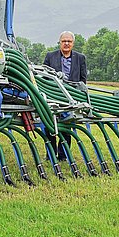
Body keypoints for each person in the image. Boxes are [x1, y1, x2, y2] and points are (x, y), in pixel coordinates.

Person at [43, 31, 87, 159]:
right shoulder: (50, 56)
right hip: (53, 96)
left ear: (73, 43)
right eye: (64, 41)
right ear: (60, 42)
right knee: (49, 125)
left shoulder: (80, 58)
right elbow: (44, 77)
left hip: (71, 98)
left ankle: (63, 155)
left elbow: (83, 80)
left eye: (69, 41)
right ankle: (50, 154)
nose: (66, 43)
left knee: (67, 126)